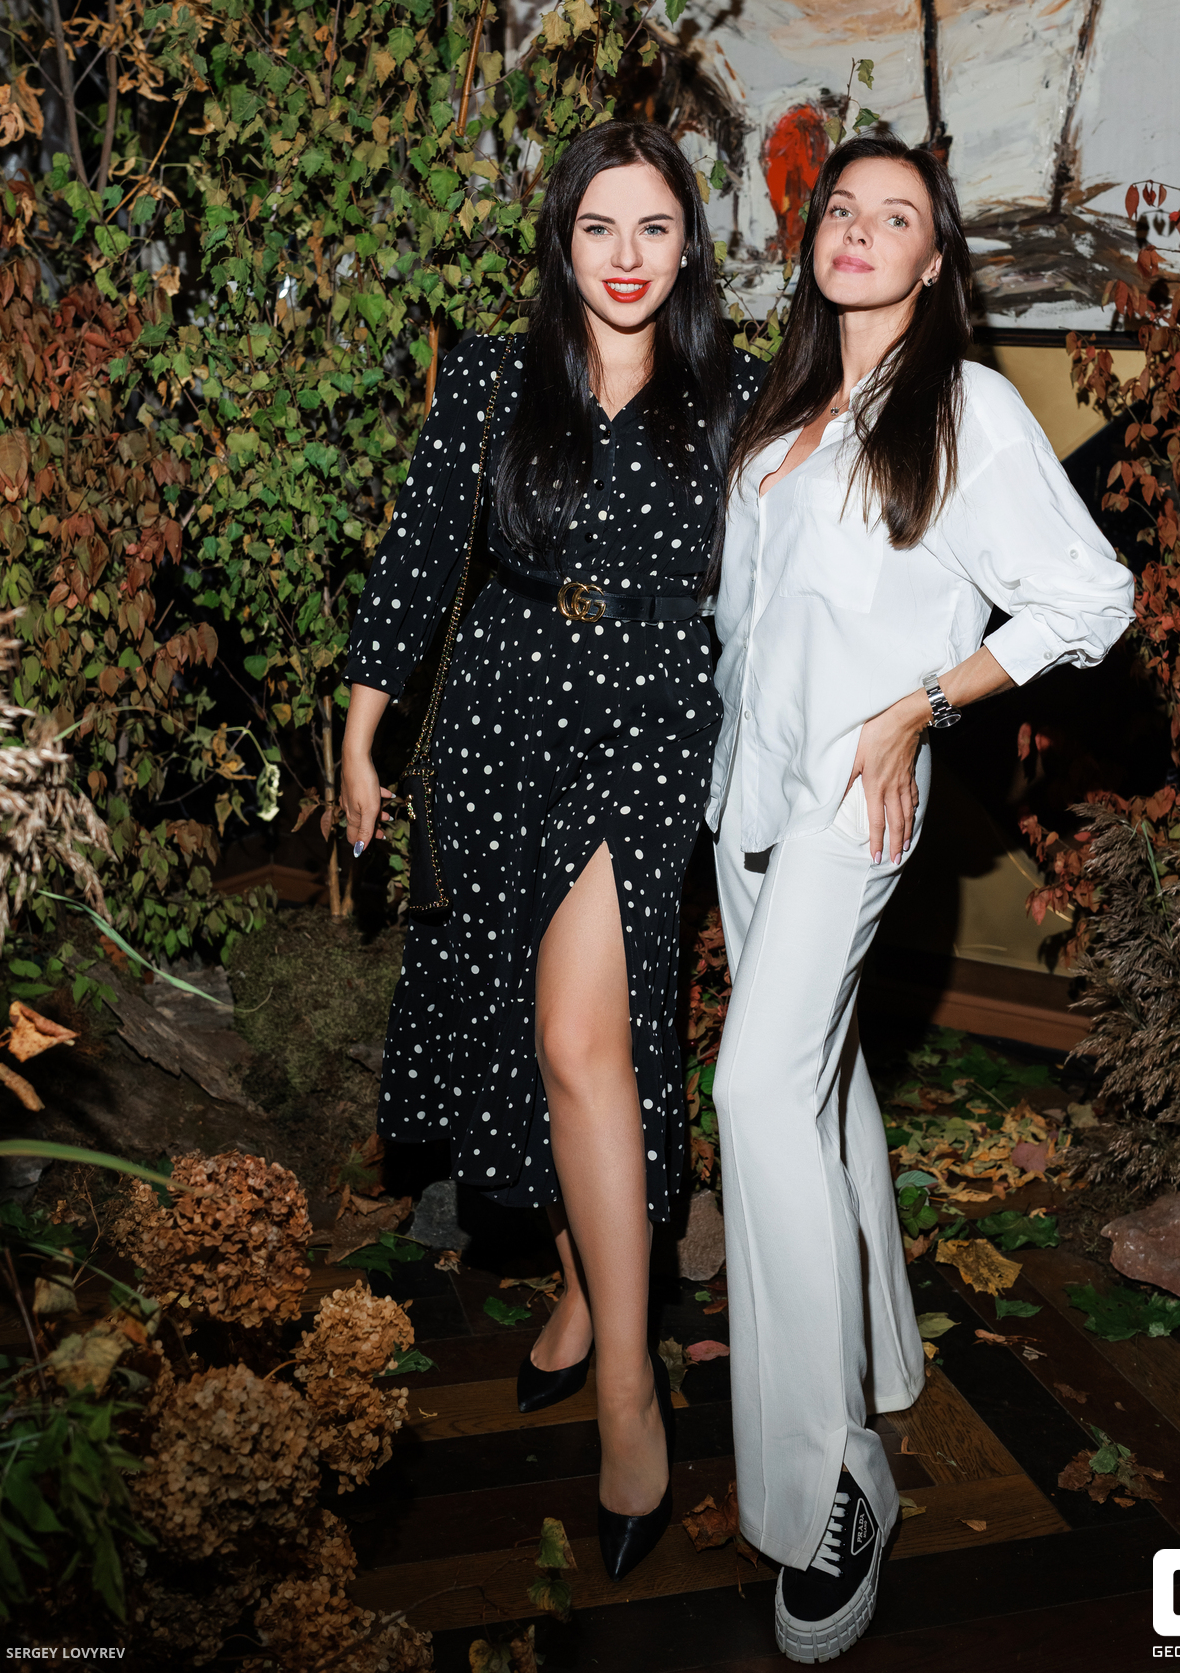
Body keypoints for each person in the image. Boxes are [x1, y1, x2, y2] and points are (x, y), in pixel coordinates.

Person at [707, 133, 1134, 1662]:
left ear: (936, 261)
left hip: (852, 801)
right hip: (750, 798)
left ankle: (831, 1483)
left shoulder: (965, 410)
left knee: (754, 1093)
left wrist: (922, 709)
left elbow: (1090, 599)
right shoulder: (786, 407)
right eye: (843, 209)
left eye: (897, 217)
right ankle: (885, 1350)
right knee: (818, 1090)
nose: (859, 230)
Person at [340, 120, 763, 1581]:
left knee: (590, 1044)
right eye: (599, 227)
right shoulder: (490, 378)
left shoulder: (737, 396)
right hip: (500, 724)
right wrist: (362, 732)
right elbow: (419, 557)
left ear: (690, 244)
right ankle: (584, 1291)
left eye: (655, 227)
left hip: (645, 734)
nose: (627, 256)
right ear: (561, 240)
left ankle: (629, 1392)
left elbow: (809, 568)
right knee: (527, 1037)